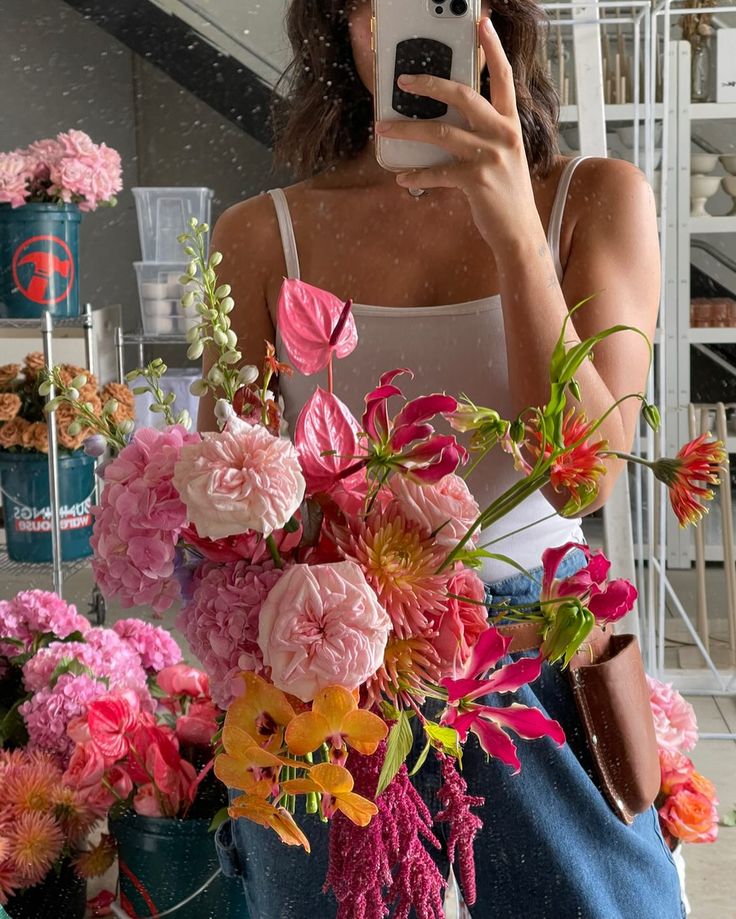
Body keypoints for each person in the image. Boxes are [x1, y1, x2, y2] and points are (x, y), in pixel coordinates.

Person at [202, 1, 684, 916]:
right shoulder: (261, 234)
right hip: (328, 676)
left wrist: (512, 229)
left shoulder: (593, 197)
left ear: (493, 17)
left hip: (541, 661)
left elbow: (585, 473)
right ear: (339, 22)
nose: (397, 24)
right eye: (371, 0)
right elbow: (235, 522)